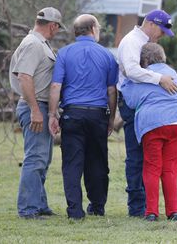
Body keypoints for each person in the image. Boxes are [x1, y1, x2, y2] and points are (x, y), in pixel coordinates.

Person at [47, 14, 118, 219]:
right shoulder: (106, 55)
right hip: (97, 115)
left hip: (72, 114)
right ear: (93, 29)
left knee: (72, 164)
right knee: (97, 161)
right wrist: (111, 118)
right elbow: (111, 90)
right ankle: (97, 206)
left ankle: (75, 211)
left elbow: (55, 86)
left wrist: (53, 114)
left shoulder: (64, 53)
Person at [116, 9, 177, 217]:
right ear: (151, 24)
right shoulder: (132, 41)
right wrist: (160, 78)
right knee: (136, 154)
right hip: (133, 102)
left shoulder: (143, 43)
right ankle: (137, 206)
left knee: (149, 157)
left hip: (148, 103)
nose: (161, 36)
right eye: (160, 31)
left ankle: (148, 206)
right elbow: (132, 71)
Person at [120, 43, 177, 222]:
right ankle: (174, 211)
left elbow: (132, 102)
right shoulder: (171, 72)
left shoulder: (141, 76)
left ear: (146, 60)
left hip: (152, 124)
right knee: (170, 168)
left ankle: (151, 212)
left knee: (152, 167)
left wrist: (126, 78)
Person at [9, 6, 65, 220]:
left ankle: (40, 204)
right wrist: (35, 110)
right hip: (35, 106)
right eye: (58, 28)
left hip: (41, 106)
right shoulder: (34, 44)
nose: (57, 31)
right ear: (53, 25)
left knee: (43, 158)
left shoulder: (40, 44)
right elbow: (24, 77)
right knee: (35, 158)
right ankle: (28, 209)